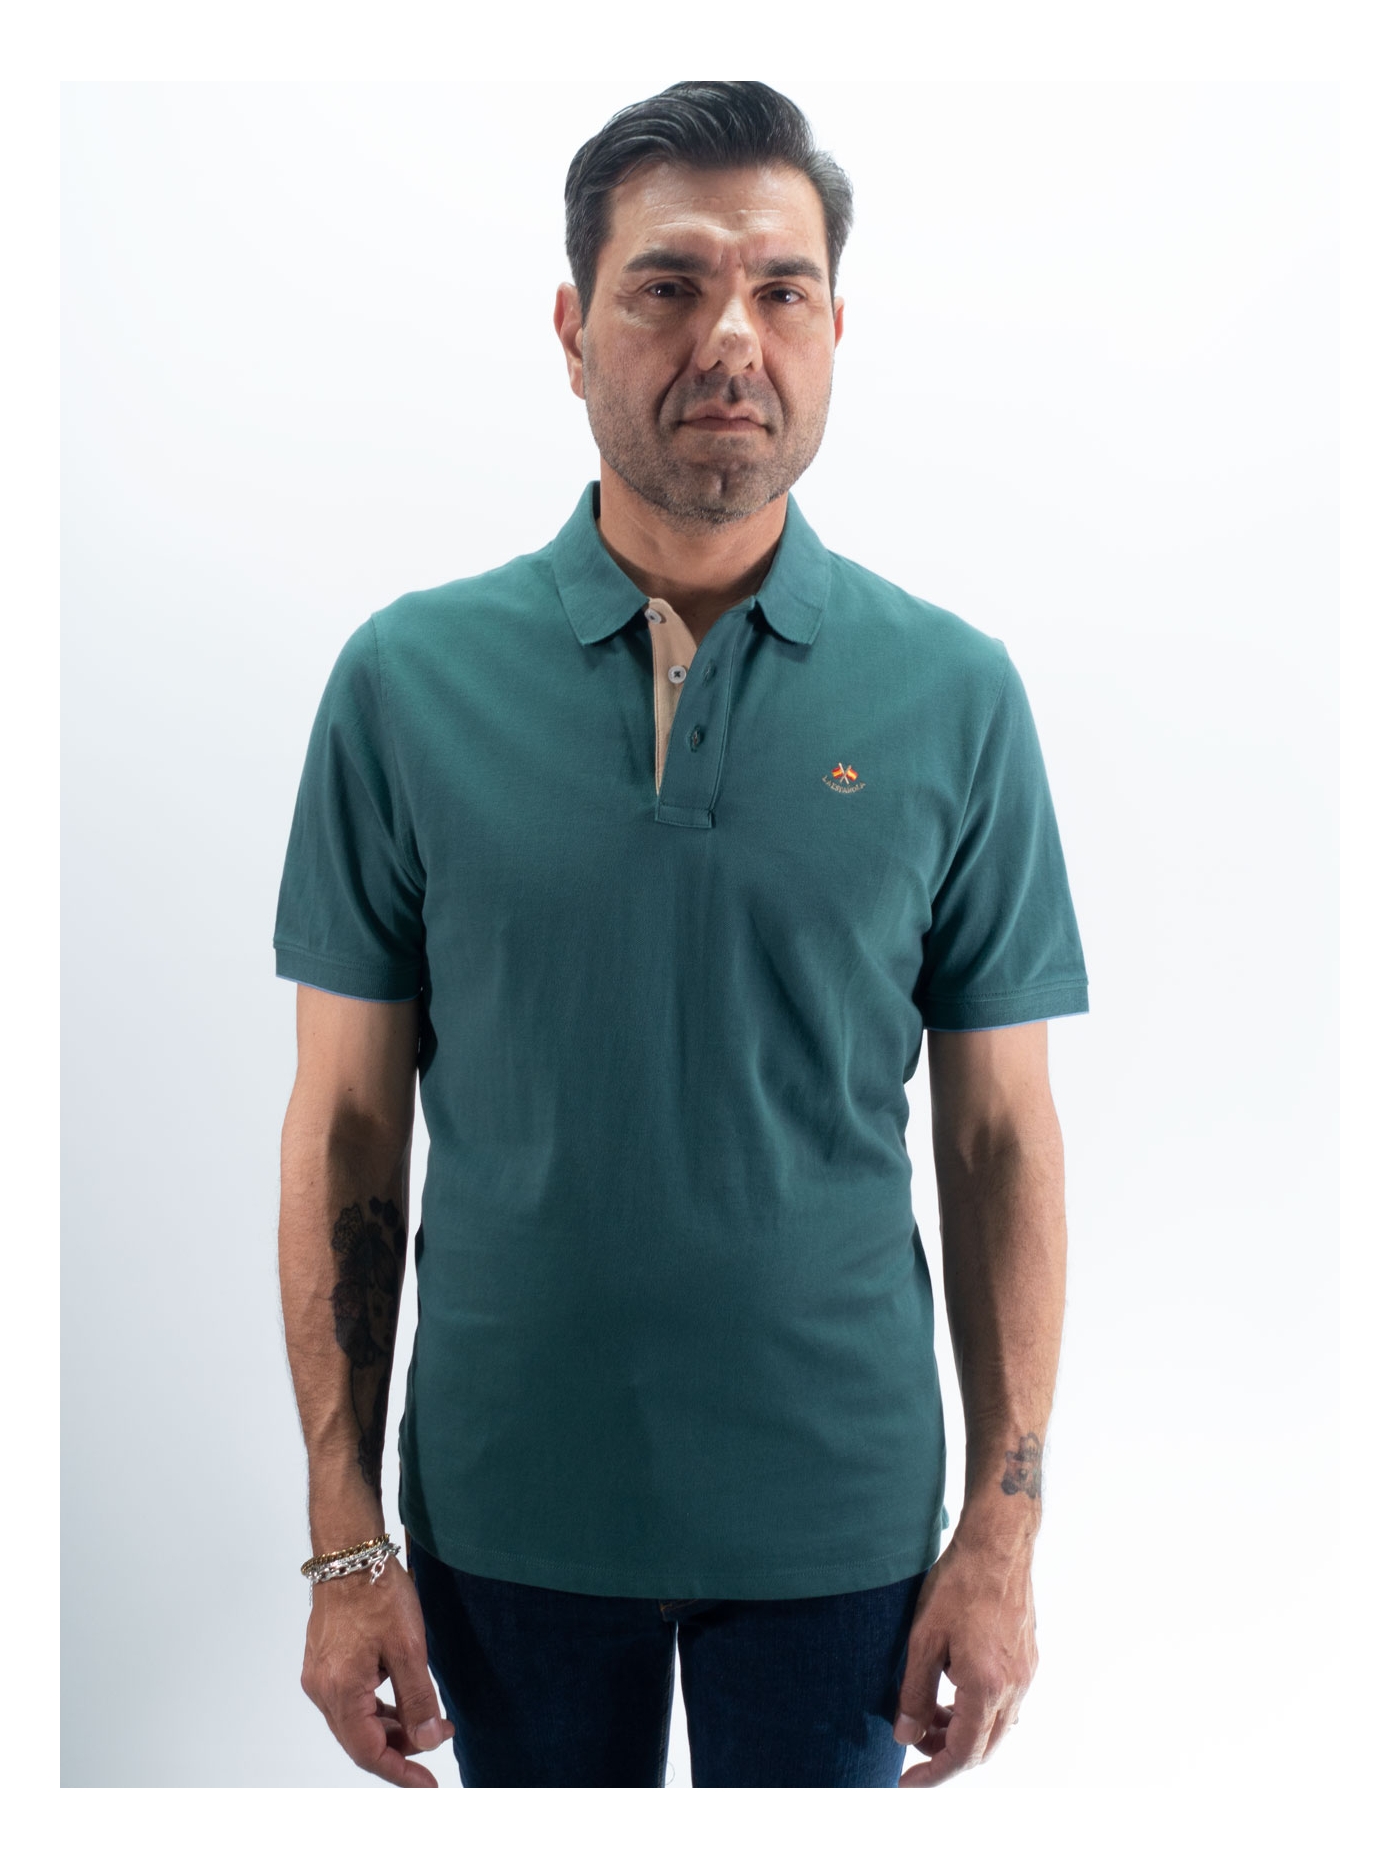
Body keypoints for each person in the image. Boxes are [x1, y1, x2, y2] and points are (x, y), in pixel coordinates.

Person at [273, 79, 1088, 1791]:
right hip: (505, 1516)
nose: (731, 335)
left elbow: (1001, 1134)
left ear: (836, 330)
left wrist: (1003, 1532)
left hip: (843, 1527)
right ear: (573, 331)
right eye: (669, 285)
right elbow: (345, 1122)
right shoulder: (405, 683)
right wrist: (346, 1540)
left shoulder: (956, 693)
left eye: (782, 288)